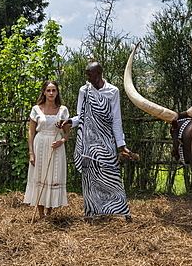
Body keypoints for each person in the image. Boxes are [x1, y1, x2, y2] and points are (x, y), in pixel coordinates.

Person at [65, 62, 133, 222]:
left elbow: (116, 120)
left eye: (90, 74)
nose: (88, 78)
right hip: (88, 143)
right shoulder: (84, 90)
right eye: (87, 74)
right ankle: (91, 213)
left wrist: (121, 145)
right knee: (90, 180)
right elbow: (81, 115)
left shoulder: (112, 91)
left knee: (112, 175)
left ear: (99, 73)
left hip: (106, 141)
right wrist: (69, 122)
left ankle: (123, 212)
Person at [24, 81, 71, 218]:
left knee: (52, 176)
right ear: (44, 92)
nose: (51, 93)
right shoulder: (36, 109)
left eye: (54, 90)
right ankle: (40, 214)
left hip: (56, 147)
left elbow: (67, 133)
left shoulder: (63, 110)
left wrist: (61, 141)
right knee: (39, 176)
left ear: (57, 92)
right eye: (48, 90)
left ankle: (49, 213)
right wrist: (31, 153)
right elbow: (31, 133)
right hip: (40, 145)